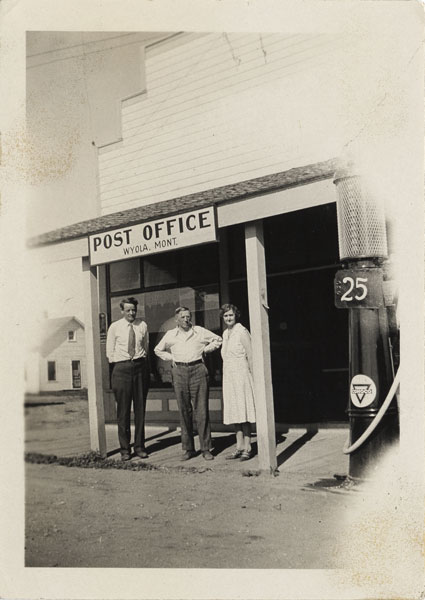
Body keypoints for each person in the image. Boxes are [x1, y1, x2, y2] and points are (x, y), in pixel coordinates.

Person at [154, 306, 222, 461]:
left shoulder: (199, 331)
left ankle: (206, 448)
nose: (186, 319)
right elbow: (158, 350)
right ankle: (188, 449)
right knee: (184, 411)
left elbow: (218, 340)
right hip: (179, 372)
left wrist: (206, 350)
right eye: (183, 317)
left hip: (198, 369)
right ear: (177, 320)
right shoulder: (171, 334)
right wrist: (171, 358)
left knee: (202, 411)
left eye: (188, 316)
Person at [106, 297, 149, 461]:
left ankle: (139, 447)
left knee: (140, 410)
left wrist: (141, 365)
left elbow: (145, 347)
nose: (131, 313)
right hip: (121, 369)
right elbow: (109, 352)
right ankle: (125, 450)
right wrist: (120, 365)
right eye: (128, 310)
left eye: (134, 310)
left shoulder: (142, 325)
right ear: (122, 310)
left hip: (139, 368)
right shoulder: (114, 327)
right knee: (123, 412)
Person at [220, 303, 256, 461]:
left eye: (231, 315)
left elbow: (251, 355)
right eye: (226, 315)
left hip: (242, 376)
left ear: (236, 316)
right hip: (229, 378)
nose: (228, 318)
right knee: (235, 413)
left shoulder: (242, 331)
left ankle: (248, 447)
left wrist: (254, 378)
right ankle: (239, 446)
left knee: (244, 412)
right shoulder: (226, 333)